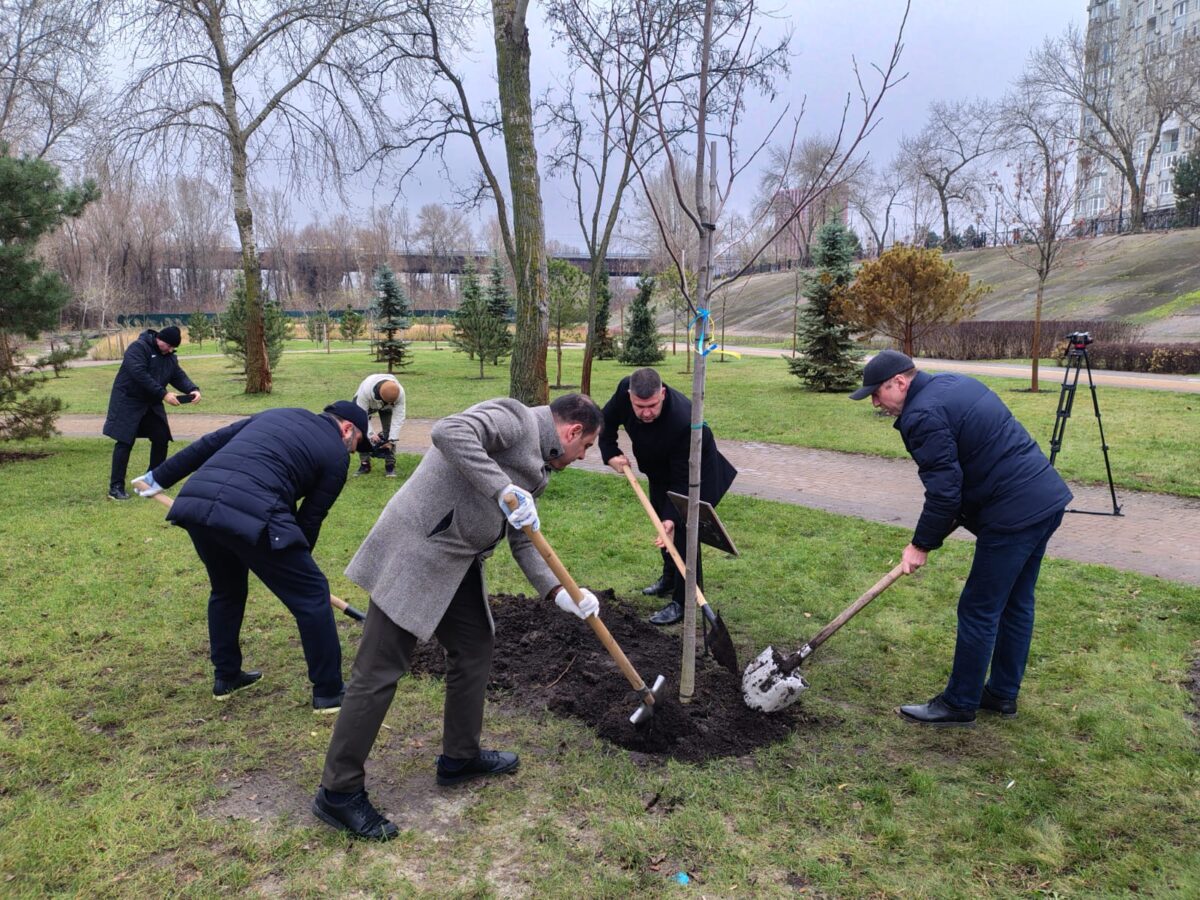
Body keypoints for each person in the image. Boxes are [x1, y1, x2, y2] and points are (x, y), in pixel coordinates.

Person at [312, 394, 604, 841]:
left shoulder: (539, 469)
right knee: (379, 669)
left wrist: (560, 591)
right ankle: (338, 790)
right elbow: (448, 431)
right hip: (418, 549)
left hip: (458, 560)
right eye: (586, 447)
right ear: (573, 432)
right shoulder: (515, 419)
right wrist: (501, 489)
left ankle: (460, 757)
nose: (583, 456)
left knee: (473, 646)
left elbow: (523, 536)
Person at [849, 349, 1073, 726]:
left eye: (876, 393)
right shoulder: (954, 383)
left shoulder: (921, 416)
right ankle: (1001, 694)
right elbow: (971, 461)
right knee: (1016, 602)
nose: (875, 402)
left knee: (979, 608)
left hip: (1013, 514)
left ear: (899, 382)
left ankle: (959, 703)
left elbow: (944, 493)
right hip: (1044, 500)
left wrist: (920, 544)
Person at [131, 401, 372, 713]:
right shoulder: (337, 455)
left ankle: (227, 676)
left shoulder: (278, 413)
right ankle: (329, 693)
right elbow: (311, 518)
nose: (353, 451)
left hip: (197, 504)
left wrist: (158, 478)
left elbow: (210, 443)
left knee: (227, 591)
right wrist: (294, 572)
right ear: (347, 429)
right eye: (357, 444)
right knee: (312, 596)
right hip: (254, 509)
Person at [600, 367, 737, 626]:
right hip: (660, 472)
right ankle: (670, 578)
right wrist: (610, 453)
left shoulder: (683, 421)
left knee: (683, 531)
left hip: (697, 476)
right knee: (660, 525)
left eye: (652, 405)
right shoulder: (624, 391)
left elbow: (683, 480)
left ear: (662, 393)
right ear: (629, 396)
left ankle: (684, 600)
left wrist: (673, 517)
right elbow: (605, 421)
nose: (646, 413)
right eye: (640, 407)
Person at [103, 325, 200, 501]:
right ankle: (116, 487)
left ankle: (151, 481)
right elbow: (139, 374)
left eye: (173, 348)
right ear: (159, 339)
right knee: (124, 442)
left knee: (161, 438)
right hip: (128, 401)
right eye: (168, 345)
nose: (169, 350)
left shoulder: (169, 356)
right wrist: (164, 394)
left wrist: (192, 389)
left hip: (151, 404)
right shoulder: (138, 348)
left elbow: (177, 375)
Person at [352, 373, 406, 478]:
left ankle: (390, 465)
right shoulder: (364, 393)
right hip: (367, 404)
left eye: (392, 403)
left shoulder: (399, 393)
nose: (391, 404)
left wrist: (391, 440)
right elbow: (361, 418)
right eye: (389, 402)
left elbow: (398, 418)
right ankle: (365, 464)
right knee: (360, 430)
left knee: (389, 430)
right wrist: (371, 434)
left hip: (385, 403)